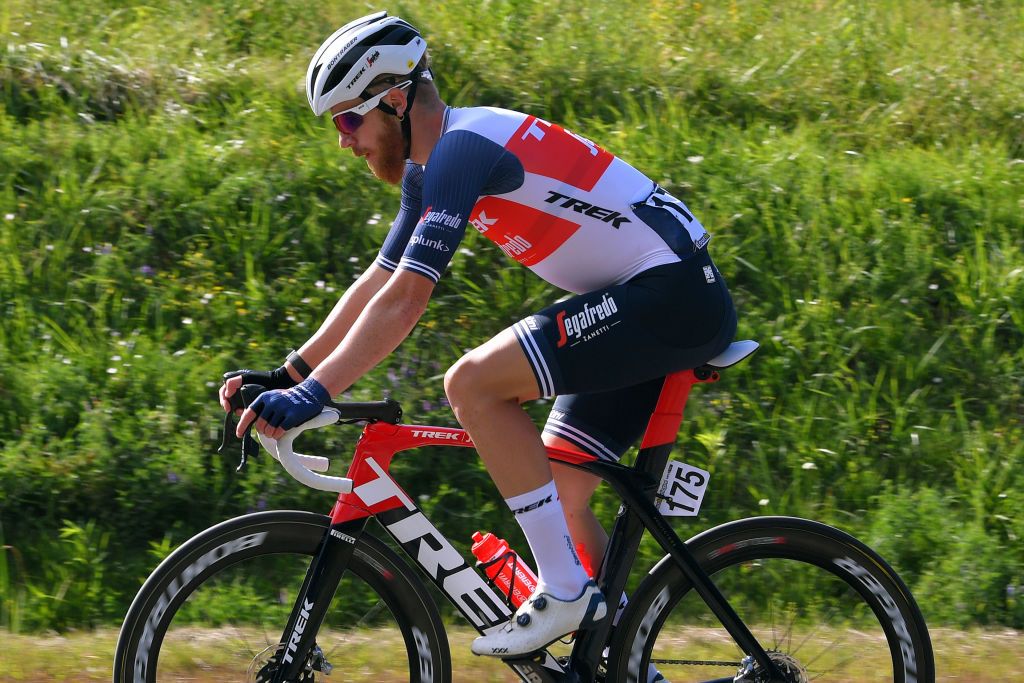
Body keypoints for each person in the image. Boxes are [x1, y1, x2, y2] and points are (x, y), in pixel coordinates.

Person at [221, 11, 736, 665]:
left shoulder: (464, 149)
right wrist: (292, 376)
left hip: (669, 296)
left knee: (473, 384)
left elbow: (408, 300)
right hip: (657, 295)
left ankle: (565, 593)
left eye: (350, 120)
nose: (344, 142)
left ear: (397, 99)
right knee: (559, 483)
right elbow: (380, 280)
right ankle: (626, 659)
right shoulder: (431, 167)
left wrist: (320, 392)